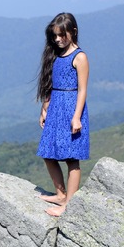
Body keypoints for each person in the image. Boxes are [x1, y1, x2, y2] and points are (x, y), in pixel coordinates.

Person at [36, 12, 90, 217]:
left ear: (73, 32)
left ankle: (68, 204)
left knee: (71, 159)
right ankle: (60, 194)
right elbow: (51, 84)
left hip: (71, 108)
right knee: (48, 153)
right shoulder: (56, 55)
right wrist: (45, 107)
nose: (58, 40)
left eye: (62, 35)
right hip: (56, 107)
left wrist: (76, 117)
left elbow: (83, 89)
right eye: (55, 36)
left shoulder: (80, 57)